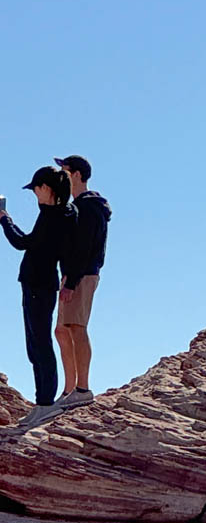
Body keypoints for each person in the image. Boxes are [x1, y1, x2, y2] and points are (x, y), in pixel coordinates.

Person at [0, 166, 78, 427]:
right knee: (37, 343)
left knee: (39, 344)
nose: (34, 193)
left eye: (36, 188)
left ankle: (45, 404)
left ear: (46, 188)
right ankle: (42, 402)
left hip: (38, 286)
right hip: (40, 285)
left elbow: (23, 243)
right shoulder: (62, 213)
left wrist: (4, 218)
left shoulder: (53, 216)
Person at [53, 155, 111, 409]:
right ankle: (69, 390)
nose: (61, 176)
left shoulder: (88, 207)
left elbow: (85, 247)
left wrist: (72, 281)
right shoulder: (78, 205)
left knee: (76, 327)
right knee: (62, 329)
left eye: (64, 171)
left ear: (76, 175)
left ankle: (82, 388)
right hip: (73, 274)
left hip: (82, 274)